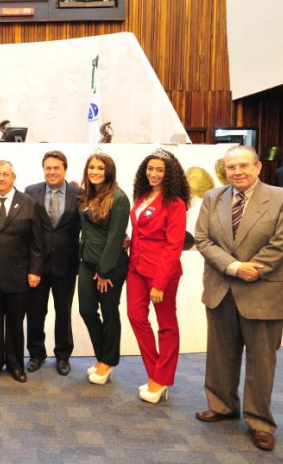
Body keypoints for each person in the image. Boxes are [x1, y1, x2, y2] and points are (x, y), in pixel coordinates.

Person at [194, 145, 283, 452]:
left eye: (243, 166)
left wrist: (255, 268)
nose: (237, 172)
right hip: (222, 287)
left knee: (261, 361)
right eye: (231, 167)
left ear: (257, 168)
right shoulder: (213, 198)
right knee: (220, 354)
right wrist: (233, 266)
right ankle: (222, 404)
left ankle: (259, 422)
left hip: (263, 289)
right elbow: (202, 238)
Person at [127, 150, 191, 403]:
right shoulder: (143, 195)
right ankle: (157, 371)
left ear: (169, 173)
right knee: (135, 316)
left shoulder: (174, 203)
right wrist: (129, 242)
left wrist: (160, 284)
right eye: (150, 169)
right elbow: (144, 232)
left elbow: (173, 246)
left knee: (166, 324)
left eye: (159, 170)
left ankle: (161, 378)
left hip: (161, 273)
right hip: (136, 266)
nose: (153, 174)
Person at [0, 160, 42, 383]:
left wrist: (35, 270)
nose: (1, 178)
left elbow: (36, 242)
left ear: (14, 177)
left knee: (15, 322)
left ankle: (15, 364)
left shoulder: (29, 203)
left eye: (5, 174)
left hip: (19, 274)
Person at [23, 151, 82, 376]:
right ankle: (36, 354)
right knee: (36, 311)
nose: (52, 172)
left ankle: (63, 355)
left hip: (67, 265)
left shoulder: (79, 194)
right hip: (37, 265)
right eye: (48, 168)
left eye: (56, 168)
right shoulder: (31, 191)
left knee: (63, 311)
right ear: (43, 169)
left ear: (65, 169)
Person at [77, 152, 130, 385]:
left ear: (108, 171)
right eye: (92, 168)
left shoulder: (118, 198)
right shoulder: (88, 195)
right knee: (87, 311)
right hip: (87, 263)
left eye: (100, 168)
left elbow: (115, 236)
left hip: (110, 266)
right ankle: (103, 358)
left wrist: (104, 270)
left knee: (109, 313)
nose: (95, 172)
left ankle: (107, 362)